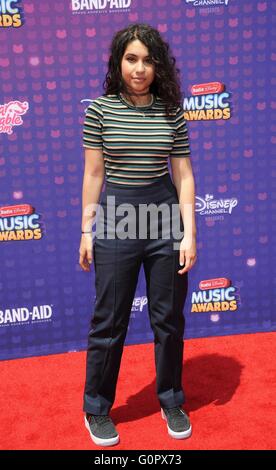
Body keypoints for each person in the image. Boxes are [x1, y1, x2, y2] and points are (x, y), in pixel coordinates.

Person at [79, 23, 197, 447]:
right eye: (132, 58)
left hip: (165, 219)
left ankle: (171, 399)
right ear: (119, 62)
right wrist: (86, 229)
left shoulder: (171, 110)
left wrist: (190, 232)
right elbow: (94, 173)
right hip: (117, 219)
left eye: (148, 60)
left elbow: (183, 173)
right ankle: (96, 408)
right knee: (109, 322)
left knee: (168, 320)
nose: (140, 68)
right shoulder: (100, 110)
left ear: (157, 64)